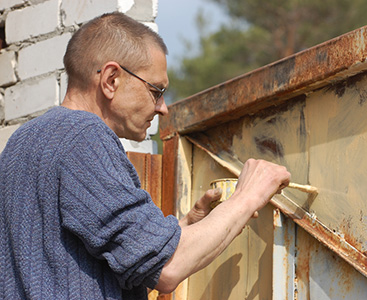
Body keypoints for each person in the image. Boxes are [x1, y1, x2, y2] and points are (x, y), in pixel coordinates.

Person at [0, 12, 290, 300]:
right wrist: (248, 196)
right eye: (156, 91)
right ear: (111, 79)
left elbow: (84, 262)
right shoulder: (83, 137)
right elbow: (167, 268)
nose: (163, 108)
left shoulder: (22, 144)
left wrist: (185, 228)